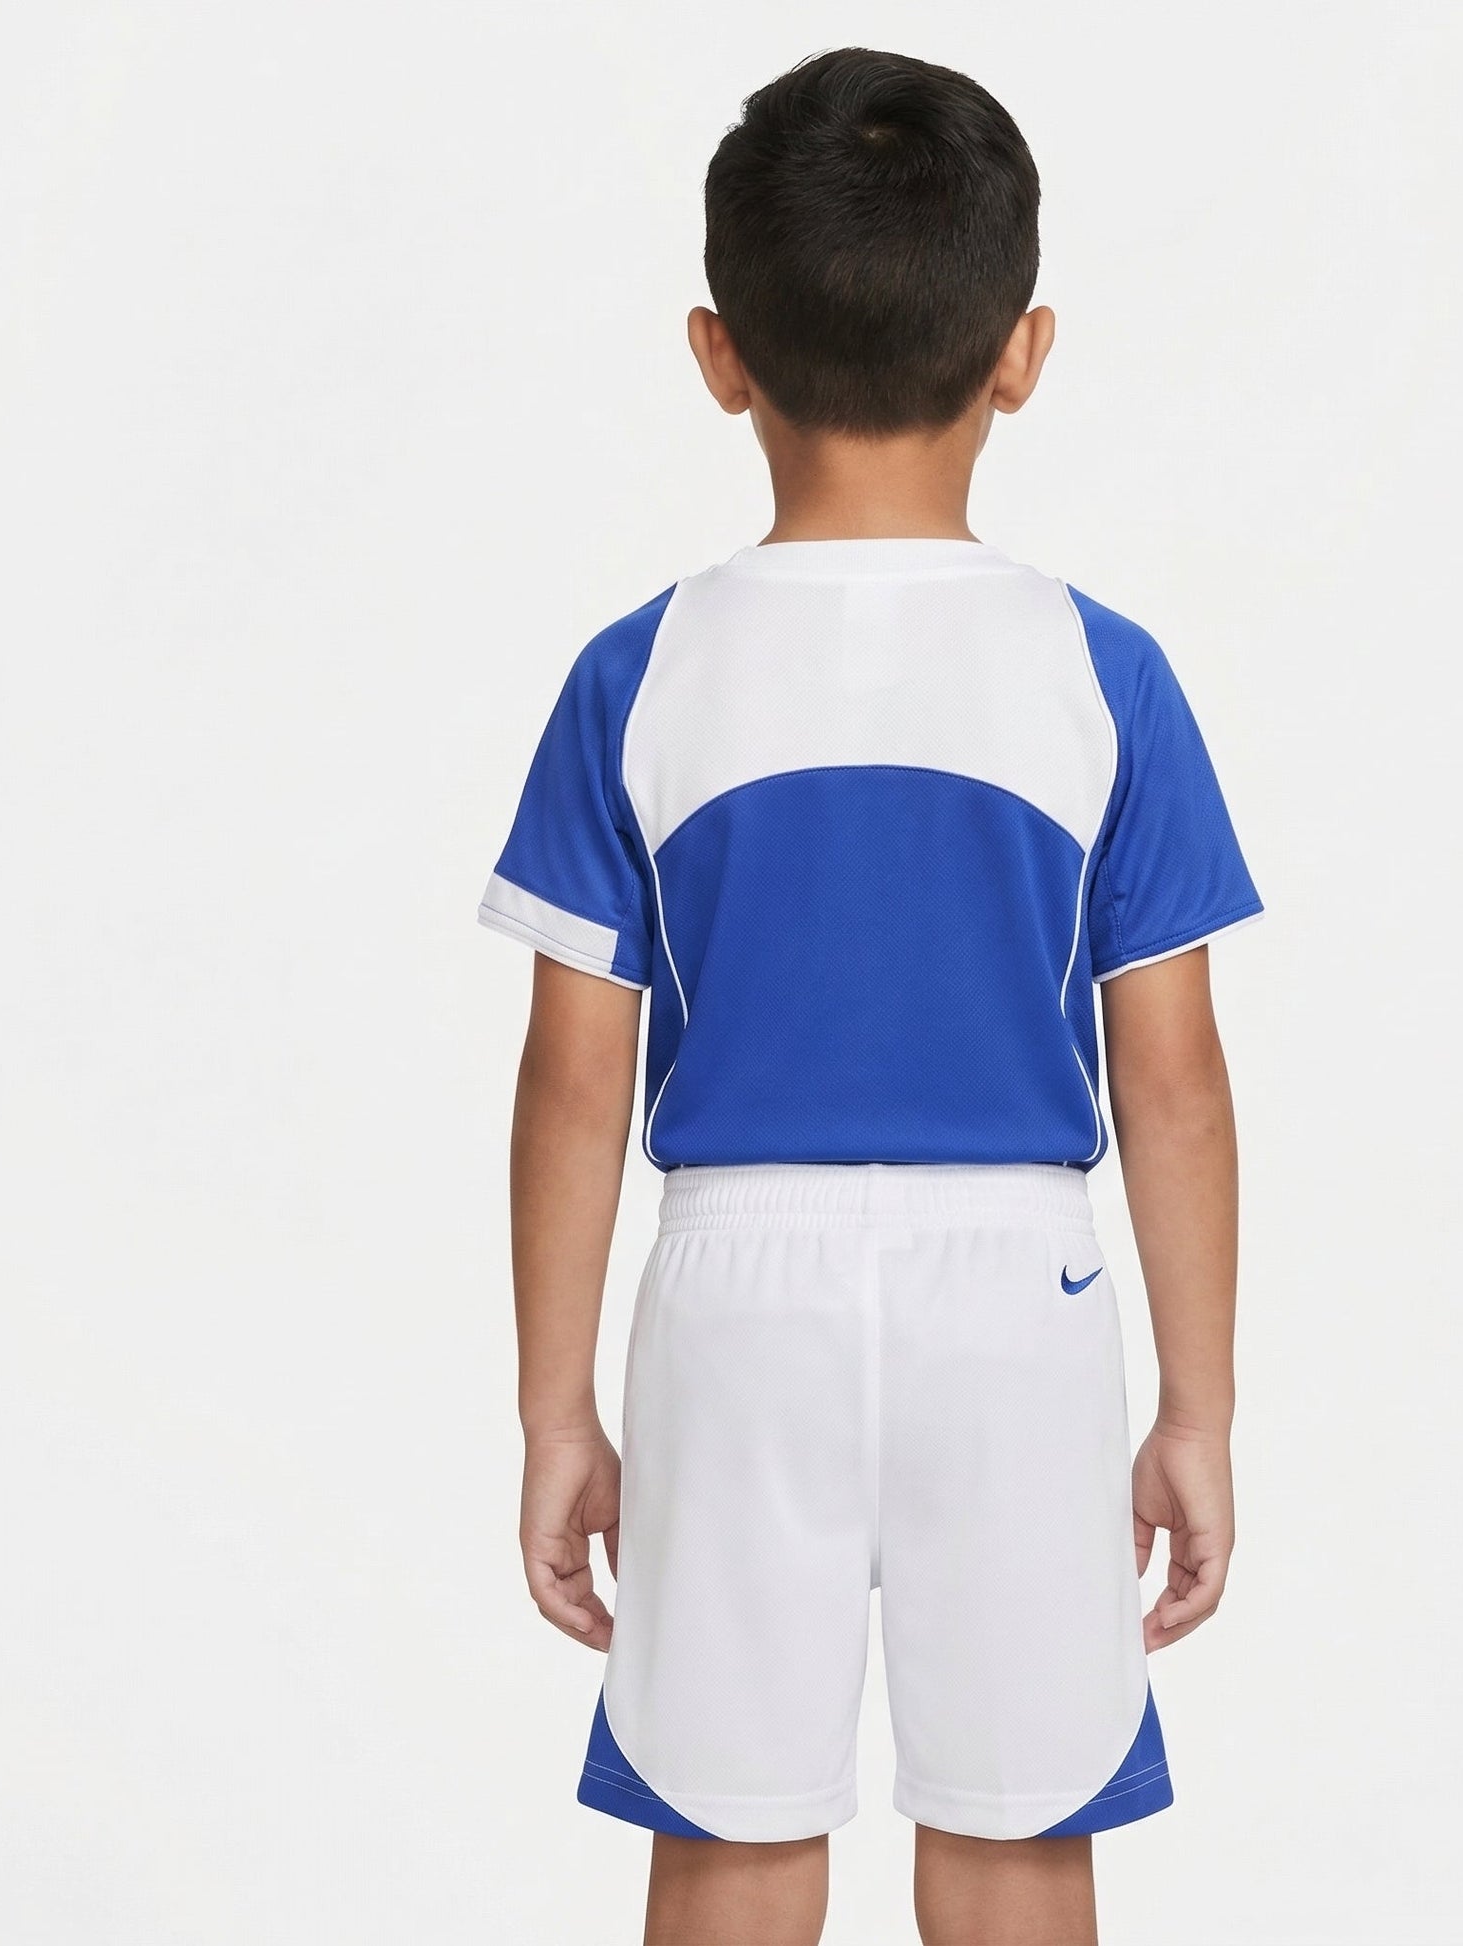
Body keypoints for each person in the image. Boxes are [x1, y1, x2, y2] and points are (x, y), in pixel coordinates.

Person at [479, 47, 1263, 1946]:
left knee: (728, 1825)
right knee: (1016, 1830)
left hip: (732, 1289)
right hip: (1021, 1292)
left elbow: (573, 1084)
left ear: (717, 353)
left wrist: (555, 1409)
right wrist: (1199, 1404)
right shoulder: (1101, 672)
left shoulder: (638, 672)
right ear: (1022, 352)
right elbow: (1171, 1084)